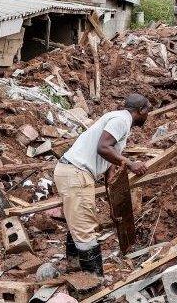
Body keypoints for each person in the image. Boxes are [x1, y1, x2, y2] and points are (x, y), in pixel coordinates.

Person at [53, 94, 151, 275]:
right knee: (85, 228)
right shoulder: (121, 120)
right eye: (148, 110)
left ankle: (75, 269)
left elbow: (110, 167)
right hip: (76, 173)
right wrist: (131, 164)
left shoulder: (118, 119)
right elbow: (103, 147)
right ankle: (93, 282)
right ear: (141, 110)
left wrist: (113, 204)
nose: (148, 115)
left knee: (78, 222)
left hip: (74, 172)